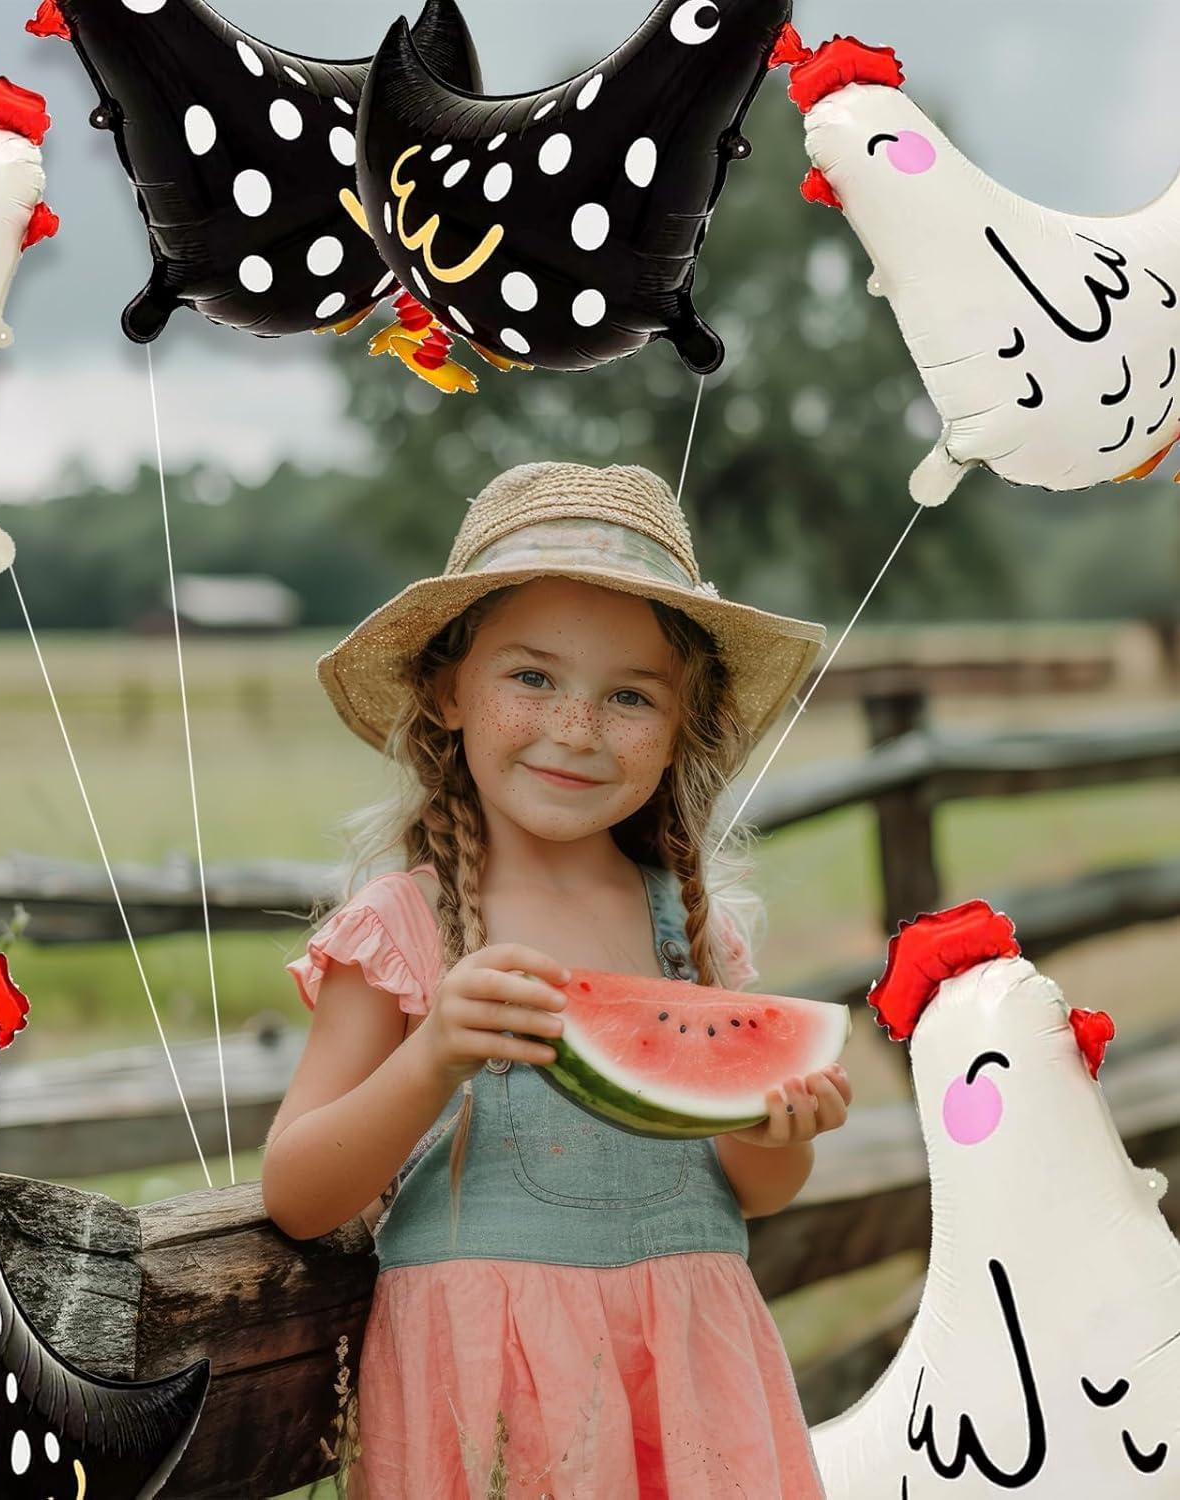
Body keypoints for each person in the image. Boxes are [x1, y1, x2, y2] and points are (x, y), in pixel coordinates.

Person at [261, 462, 851, 1499]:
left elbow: (750, 1198)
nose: (576, 730)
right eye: (531, 677)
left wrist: (772, 1134)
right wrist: (433, 1056)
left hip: (692, 1373)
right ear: (448, 690)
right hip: (484, 1386)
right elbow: (299, 1194)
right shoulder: (401, 928)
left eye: (629, 696)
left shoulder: (694, 933)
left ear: (680, 729)